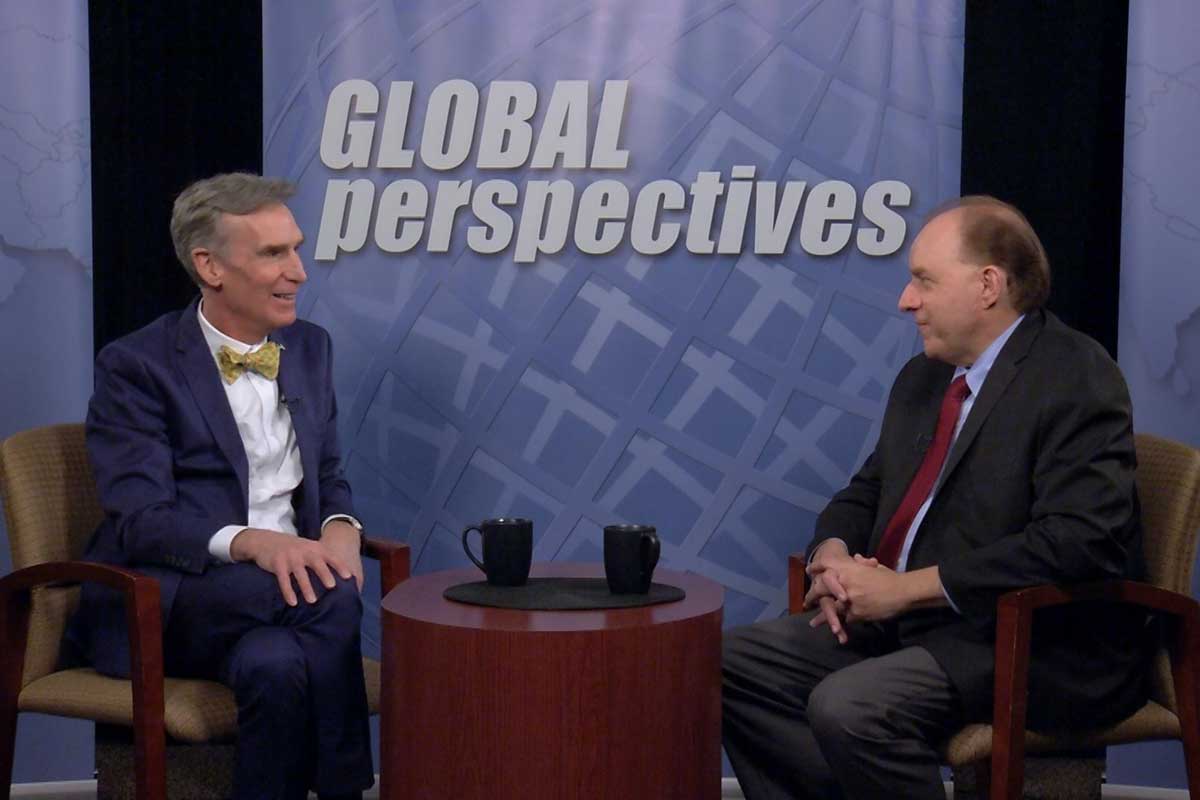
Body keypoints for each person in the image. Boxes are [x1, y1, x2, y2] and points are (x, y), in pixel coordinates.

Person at [721, 196, 1149, 799]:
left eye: (923, 280)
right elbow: (869, 490)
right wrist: (834, 555)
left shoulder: (1076, 376)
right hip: (916, 625)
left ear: (988, 285)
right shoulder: (924, 377)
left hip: (1030, 639)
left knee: (851, 707)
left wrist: (905, 590)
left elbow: (1080, 542)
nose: (906, 300)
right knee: (726, 663)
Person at [70, 173, 372, 800]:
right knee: (335, 597)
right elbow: (141, 519)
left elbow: (328, 476)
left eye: (296, 247)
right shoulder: (136, 367)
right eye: (272, 254)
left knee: (277, 664)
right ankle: (346, 787)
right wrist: (254, 543)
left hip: (278, 606)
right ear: (209, 265)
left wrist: (342, 528)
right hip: (175, 597)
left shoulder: (310, 348)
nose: (299, 272)